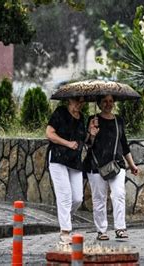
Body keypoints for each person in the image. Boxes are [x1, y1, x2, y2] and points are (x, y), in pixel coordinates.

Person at [85, 94, 139, 241]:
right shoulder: (92, 119)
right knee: (99, 198)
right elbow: (87, 144)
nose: (108, 104)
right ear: (99, 103)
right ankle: (101, 230)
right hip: (96, 166)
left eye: (110, 101)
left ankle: (120, 228)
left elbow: (124, 144)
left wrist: (132, 165)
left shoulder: (118, 120)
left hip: (117, 165)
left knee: (119, 194)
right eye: (104, 101)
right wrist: (92, 133)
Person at [46, 97, 97, 245]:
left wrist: (91, 133)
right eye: (77, 101)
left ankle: (64, 220)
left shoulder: (82, 118)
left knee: (77, 198)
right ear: (69, 100)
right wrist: (67, 143)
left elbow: (85, 141)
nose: (79, 104)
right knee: (65, 195)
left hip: (74, 161)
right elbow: (49, 133)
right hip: (58, 157)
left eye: (82, 102)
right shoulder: (60, 112)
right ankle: (65, 232)